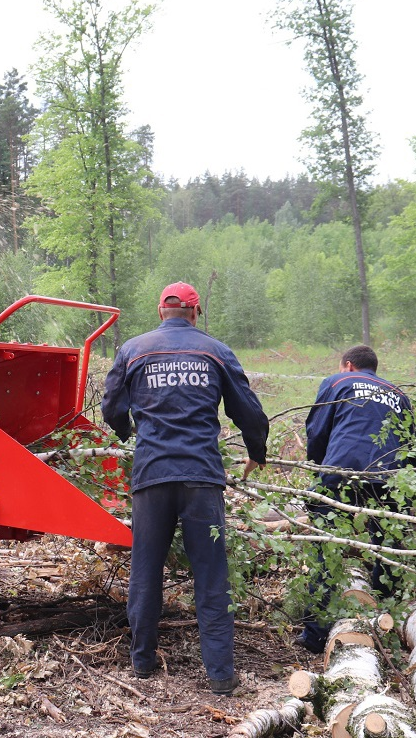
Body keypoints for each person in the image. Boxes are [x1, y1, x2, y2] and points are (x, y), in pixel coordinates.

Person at [101, 282, 269, 696]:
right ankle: (220, 676)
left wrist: (127, 432)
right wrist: (256, 451)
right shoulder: (215, 351)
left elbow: (111, 406)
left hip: (152, 476)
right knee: (211, 576)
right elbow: (249, 410)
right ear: (195, 313)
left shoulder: (134, 350)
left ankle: (142, 663)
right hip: (201, 478)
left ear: (161, 311)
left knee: (145, 571)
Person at [295, 344, 416, 654]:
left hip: (341, 468)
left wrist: (320, 465)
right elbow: (415, 446)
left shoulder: (337, 382)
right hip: (391, 475)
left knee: (325, 545)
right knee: (389, 545)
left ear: (348, 366)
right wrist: (411, 485)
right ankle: (381, 618)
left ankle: (315, 633)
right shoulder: (399, 394)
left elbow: (317, 430)